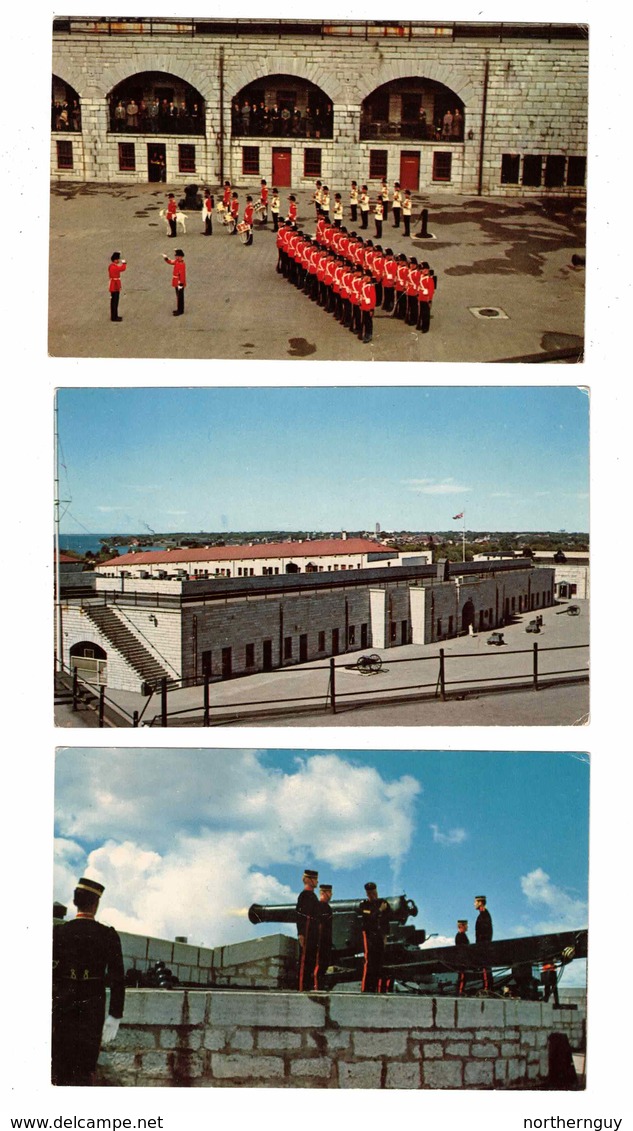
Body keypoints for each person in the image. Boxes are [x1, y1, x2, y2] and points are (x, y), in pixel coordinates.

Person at [52, 877, 125, 1086]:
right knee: (85, 1069)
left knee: (61, 1067)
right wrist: (115, 1015)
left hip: (63, 1006)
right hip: (92, 1009)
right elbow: (118, 978)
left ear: (76, 902)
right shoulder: (108, 935)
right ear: (96, 903)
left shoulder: (59, 932)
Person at [360, 882, 390, 993]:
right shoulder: (364, 905)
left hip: (379, 936)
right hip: (369, 936)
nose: (373, 895)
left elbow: (386, 920)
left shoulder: (383, 903)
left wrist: (385, 935)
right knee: (370, 962)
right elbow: (369, 918)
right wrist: (380, 910)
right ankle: (366, 989)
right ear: (367, 894)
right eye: (370, 893)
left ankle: (376, 989)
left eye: (374, 892)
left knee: (379, 962)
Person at [296, 869, 320, 990]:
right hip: (307, 931)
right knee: (305, 961)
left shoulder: (313, 896)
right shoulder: (304, 895)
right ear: (309, 880)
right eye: (315, 879)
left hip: (313, 932)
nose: (317, 881)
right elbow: (300, 915)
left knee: (311, 960)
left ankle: (308, 986)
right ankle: (302, 987)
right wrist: (300, 933)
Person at [314, 884, 333, 990]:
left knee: (323, 966)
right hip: (320, 943)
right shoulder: (320, 906)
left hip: (325, 942)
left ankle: (319, 987)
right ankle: (317, 988)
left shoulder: (327, 907)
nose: (331, 895)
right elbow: (319, 927)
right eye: (329, 892)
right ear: (324, 893)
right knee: (319, 966)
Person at [474, 895, 493, 991]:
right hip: (483, 945)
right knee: (484, 968)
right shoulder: (482, 914)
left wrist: (481, 945)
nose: (474, 904)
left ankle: (487, 988)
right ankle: (487, 987)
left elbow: (485, 932)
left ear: (480, 902)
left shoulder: (484, 915)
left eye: (476, 902)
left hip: (484, 946)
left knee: (485, 968)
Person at [162, 248, 186, 315]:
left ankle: (180, 310)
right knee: (178, 296)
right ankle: (179, 309)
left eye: (177, 256)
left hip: (179, 283)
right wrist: (166, 258)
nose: (175, 257)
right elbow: (170, 262)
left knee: (180, 297)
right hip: (176, 281)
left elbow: (182, 275)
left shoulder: (181, 264)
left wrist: (181, 283)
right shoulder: (177, 262)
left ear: (180, 257)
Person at [107, 251, 126, 322]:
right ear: (115, 260)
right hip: (114, 285)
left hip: (114, 284)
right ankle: (114, 317)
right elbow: (122, 269)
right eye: (118, 259)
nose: (118, 260)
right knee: (115, 301)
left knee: (114, 301)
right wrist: (124, 263)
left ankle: (115, 316)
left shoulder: (112, 266)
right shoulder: (114, 267)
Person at [455, 919, 470, 995]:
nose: (467, 927)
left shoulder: (463, 935)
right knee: (462, 976)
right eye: (466, 925)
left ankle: (461, 990)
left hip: (463, 960)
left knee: (463, 976)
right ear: (461, 926)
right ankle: (460, 991)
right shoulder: (460, 936)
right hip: (462, 960)